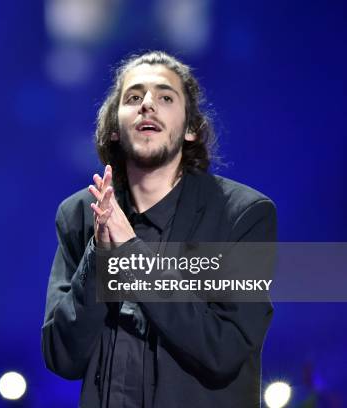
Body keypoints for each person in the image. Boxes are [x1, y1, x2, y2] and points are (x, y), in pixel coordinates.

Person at [42, 51, 276, 407]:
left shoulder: (242, 216)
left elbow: (224, 349)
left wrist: (131, 252)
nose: (147, 105)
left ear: (191, 129)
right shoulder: (80, 216)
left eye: (165, 97)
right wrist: (102, 255)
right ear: (114, 129)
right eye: (133, 97)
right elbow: (62, 356)